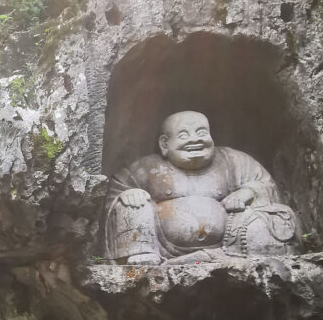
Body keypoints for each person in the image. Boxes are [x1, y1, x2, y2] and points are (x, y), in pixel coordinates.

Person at [103, 110, 298, 264]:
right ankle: (141, 253)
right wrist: (130, 194)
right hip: (162, 247)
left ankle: (247, 256)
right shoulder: (147, 168)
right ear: (164, 143)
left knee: (275, 215)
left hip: (230, 243)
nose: (194, 139)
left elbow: (266, 184)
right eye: (183, 135)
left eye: (201, 132)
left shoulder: (232, 160)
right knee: (129, 204)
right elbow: (115, 193)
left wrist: (247, 192)